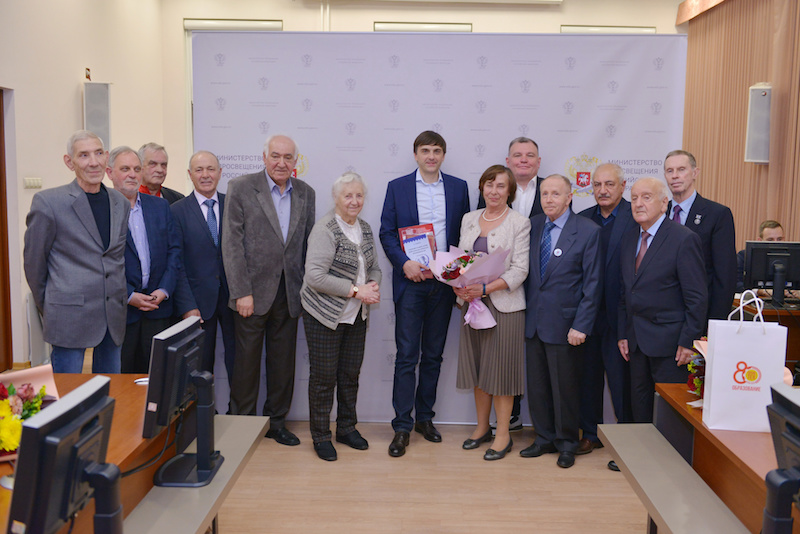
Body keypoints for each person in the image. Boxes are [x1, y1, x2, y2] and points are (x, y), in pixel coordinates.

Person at [379, 130, 470, 457]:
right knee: (407, 356)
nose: (431, 156)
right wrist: (404, 263)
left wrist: (458, 272)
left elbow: (465, 234)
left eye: (437, 151)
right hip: (411, 282)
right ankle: (402, 426)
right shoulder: (398, 187)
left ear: (443, 155)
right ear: (416, 154)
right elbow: (386, 233)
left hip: (443, 285)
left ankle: (425, 419)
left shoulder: (458, 188)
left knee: (433, 355)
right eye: (425, 151)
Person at [222, 134, 315, 446]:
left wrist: (305, 292)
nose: (281, 163)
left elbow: (306, 247)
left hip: (290, 294)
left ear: (295, 161)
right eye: (275, 156)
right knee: (246, 365)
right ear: (264, 158)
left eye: (288, 157)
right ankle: (242, 426)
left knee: (282, 365)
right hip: (251, 294)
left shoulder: (306, 193)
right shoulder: (241, 187)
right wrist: (240, 291)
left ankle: (276, 423)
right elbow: (232, 244)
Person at [23, 130, 128, 373]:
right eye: (83, 155)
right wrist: (52, 304)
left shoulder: (119, 202)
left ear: (106, 157)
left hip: (113, 315)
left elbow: (115, 258)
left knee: (110, 389)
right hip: (67, 316)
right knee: (67, 392)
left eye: (98, 153)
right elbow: (34, 264)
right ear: (69, 162)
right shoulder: (49, 202)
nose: (93, 162)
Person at [520, 174, 601, 469]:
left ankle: (567, 443)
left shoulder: (588, 231)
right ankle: (543, 438)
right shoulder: (533, 226)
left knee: (565, 389)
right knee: (538, 386)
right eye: (544, 194)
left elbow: (593, 284)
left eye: (556, 194)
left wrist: (581, 325)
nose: (549, 199)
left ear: (569, 197)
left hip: (567, 325)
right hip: (534, 323)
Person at [300, 172, 381, 461]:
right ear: (336, 198)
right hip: (324, 315)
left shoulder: (365, 228)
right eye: (348, 195)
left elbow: (374, 267)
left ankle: (346, 428)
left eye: (359, 195)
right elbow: (314, 276)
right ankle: (321, 436)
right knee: (323, 379)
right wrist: (358, 290)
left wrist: (373, 285)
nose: (354, 201)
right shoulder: (325, 229)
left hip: (356, 316)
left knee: (349, 376)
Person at [453, 165, 530, 461]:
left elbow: (520, 270)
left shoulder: (519, 223)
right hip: (471, 305)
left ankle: (503, 435)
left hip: (504, 307)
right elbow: (460, 262)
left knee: (501, 372)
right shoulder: (469, 219)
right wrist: (458, 285)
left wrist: (485, 289)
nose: (493, 191)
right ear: (481, 188)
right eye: (489, 185)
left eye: (500, 186)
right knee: (478, 369)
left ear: (509, 191)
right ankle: (482, 427)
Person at [618, 177, 707, 425]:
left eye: (646, 197)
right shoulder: (629, 239)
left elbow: (697, 297)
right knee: (640, 407)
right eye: (634, 198)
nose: (638, 203)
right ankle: (640, 450)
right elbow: (625, 292)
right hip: (636, 342)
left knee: (670, 413)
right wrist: (623, 333)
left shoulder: (683, 239)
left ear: (664, 203)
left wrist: (688, 341)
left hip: (671, 346)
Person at [477, 137, 545, 431]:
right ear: (508, 161)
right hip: (498, 290)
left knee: (535, 354)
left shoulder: (552, 189)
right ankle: (510, 417)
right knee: (500, 355)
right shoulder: (492, 192)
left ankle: (542, 423)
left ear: (538, 162)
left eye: (530, 155)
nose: (523, 160)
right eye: (517, 155)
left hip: (541, 285)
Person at [576, 163, 637, 454]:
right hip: (586, 317)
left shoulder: (635, 217)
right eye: (597, 185)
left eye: (609, 184)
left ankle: (627, 440)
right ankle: (590, 433)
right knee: (587, 380)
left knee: (621, 382)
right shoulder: (582, 219)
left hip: (620, 317)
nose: (603, 190)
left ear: (622, 186)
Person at [108, 146, 182, 373]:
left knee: (157, 377)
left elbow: (174, 251)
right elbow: (101, 264)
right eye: (125, 169)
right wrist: (129, 295)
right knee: (122, 378)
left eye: (137, 169)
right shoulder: (102, 210)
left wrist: (164, 289)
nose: (132, 174)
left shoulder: (160, 206)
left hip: (157, 309)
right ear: (110, 173)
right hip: (121, 312)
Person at [171, 151, 236, 379]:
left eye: (210, 169)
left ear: (220, 173)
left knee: (239, 365)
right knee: (200, 367)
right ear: (190, 174)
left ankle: (238, 404)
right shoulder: (177, 211)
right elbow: (177, 263)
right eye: (199, 170)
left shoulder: (234, 205)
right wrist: (187, 306)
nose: (205, 175)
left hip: (234, 300)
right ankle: (203, 405)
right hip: (197, 303)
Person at [664, 150, 736, 321]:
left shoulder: (717, 214)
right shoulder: (659, 214)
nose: (675, 176)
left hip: (700, 315)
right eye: (669, 171)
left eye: (681, 169)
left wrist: (716, 321)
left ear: (695, 173)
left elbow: (725, 275)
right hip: (662, 317)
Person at [736, 220, 785, 293]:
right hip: (757, 298)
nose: (776, 243)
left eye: (779, 239)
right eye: (770, 240)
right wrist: (760, 291)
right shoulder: (744, 257)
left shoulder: (794, 259)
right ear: (760, 240)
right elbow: (735, 284)